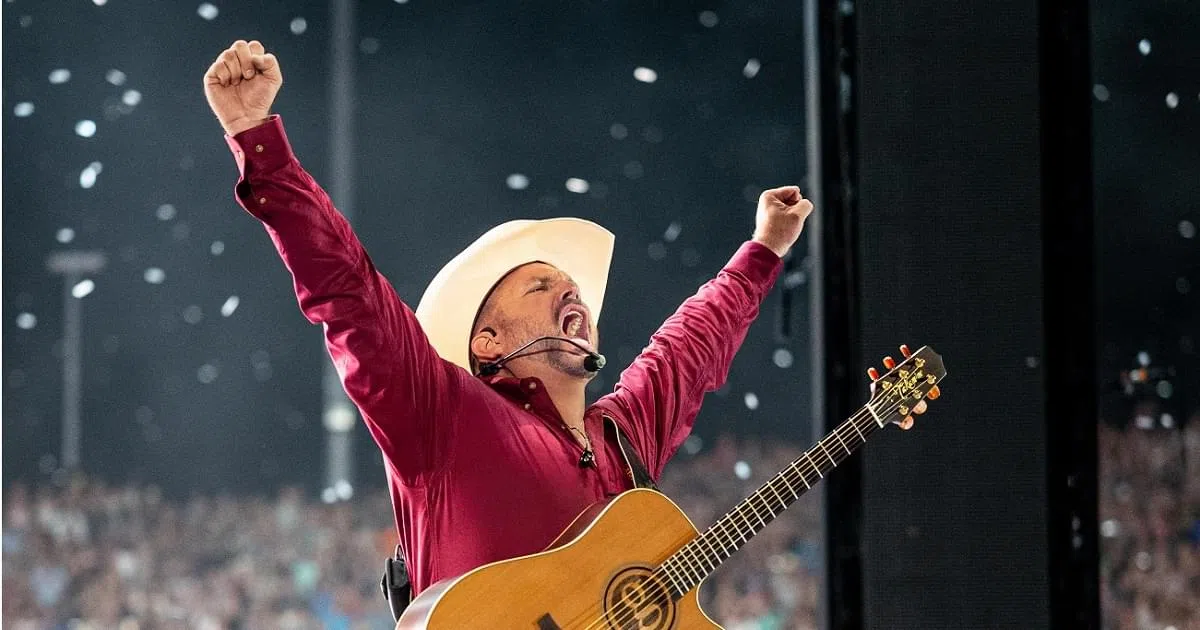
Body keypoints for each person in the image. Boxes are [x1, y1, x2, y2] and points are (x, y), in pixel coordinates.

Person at [202, 40, 927, 605]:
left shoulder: (622, 436)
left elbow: (690, 347)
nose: (570, 290)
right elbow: (347, 291)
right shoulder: (442, 413)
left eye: (572, 285)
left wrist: (763, 250)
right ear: (486, 341)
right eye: (541, 283)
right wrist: (259, 140)